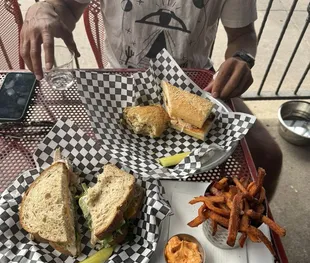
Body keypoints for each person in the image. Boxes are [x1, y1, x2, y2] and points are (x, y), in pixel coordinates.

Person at [20, 0, 282, 199]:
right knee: (101, 178)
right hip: (119, 87)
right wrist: (40, 10)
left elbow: (242, 35)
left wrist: (242, 58)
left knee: (268, 157)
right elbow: (64, 6)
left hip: (198, 85)